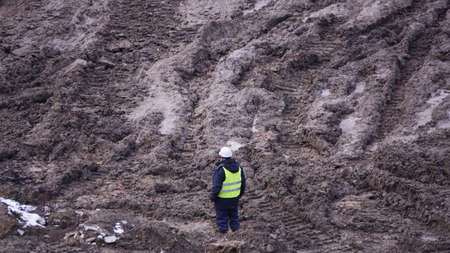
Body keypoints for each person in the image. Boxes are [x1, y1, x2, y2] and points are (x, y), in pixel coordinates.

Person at [210, 146, 246, 233]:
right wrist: (239, 195)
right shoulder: (239, 168)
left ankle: (223, 233)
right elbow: (243, 184)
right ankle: (236, 231)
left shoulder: (221, 170)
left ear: (221, 157)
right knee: (234, 215)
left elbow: (217, 187)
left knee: (222, 216)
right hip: (234, 198)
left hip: (222, 199)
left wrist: (213, 196)